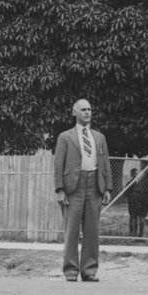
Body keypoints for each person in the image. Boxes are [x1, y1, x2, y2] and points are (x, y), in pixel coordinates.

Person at [54, 98, 112, 282]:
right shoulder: (65, 137)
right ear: (74, 112)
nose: (87, 112)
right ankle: (71, 271)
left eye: (89, 109)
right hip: (73, 187)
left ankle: (89, 270)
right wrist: (60, 189)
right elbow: (58, 165)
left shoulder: (100, 137)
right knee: (71, 230)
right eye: (83, 109)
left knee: (92, 230)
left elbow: (106, 164)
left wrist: (107, 188)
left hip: (94, 185)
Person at [127, 164, 148, 238]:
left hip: (141, 201)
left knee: (141, 217)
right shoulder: (132, 182)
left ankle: (139, 232)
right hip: (134, 201)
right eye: (134, 173)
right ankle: (134, 231)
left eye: (137, 173)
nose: (136, 174)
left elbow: (145, 189)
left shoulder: (143, 180)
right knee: (135, 217)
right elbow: (127, 192)